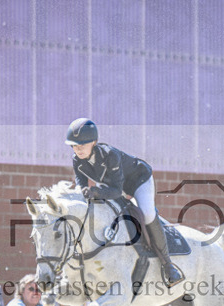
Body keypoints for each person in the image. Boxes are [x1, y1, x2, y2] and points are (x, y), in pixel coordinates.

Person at [66, 117, 184, 287]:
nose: (78, 149)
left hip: (138, 180)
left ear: (94, 142)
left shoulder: (110, 155)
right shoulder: (77, 160)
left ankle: (168, 266)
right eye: (75, 145)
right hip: (111, 184)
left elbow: (115, 190)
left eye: (82, 145)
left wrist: (96, 192)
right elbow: (81, 187)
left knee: (147, 214)